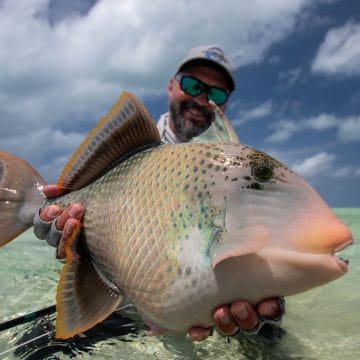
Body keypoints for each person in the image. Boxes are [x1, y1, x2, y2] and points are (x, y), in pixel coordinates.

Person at [34, 45, 284, 341]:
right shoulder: (129, 147)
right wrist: (67, 237)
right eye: (193, 85)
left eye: (216, 95)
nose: (202, 99)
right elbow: (77, 203)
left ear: (226, 104)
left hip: (203, 315)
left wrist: (267, 282)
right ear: (171, 85)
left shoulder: (236, 167)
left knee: (272, 338)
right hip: (122, 308)